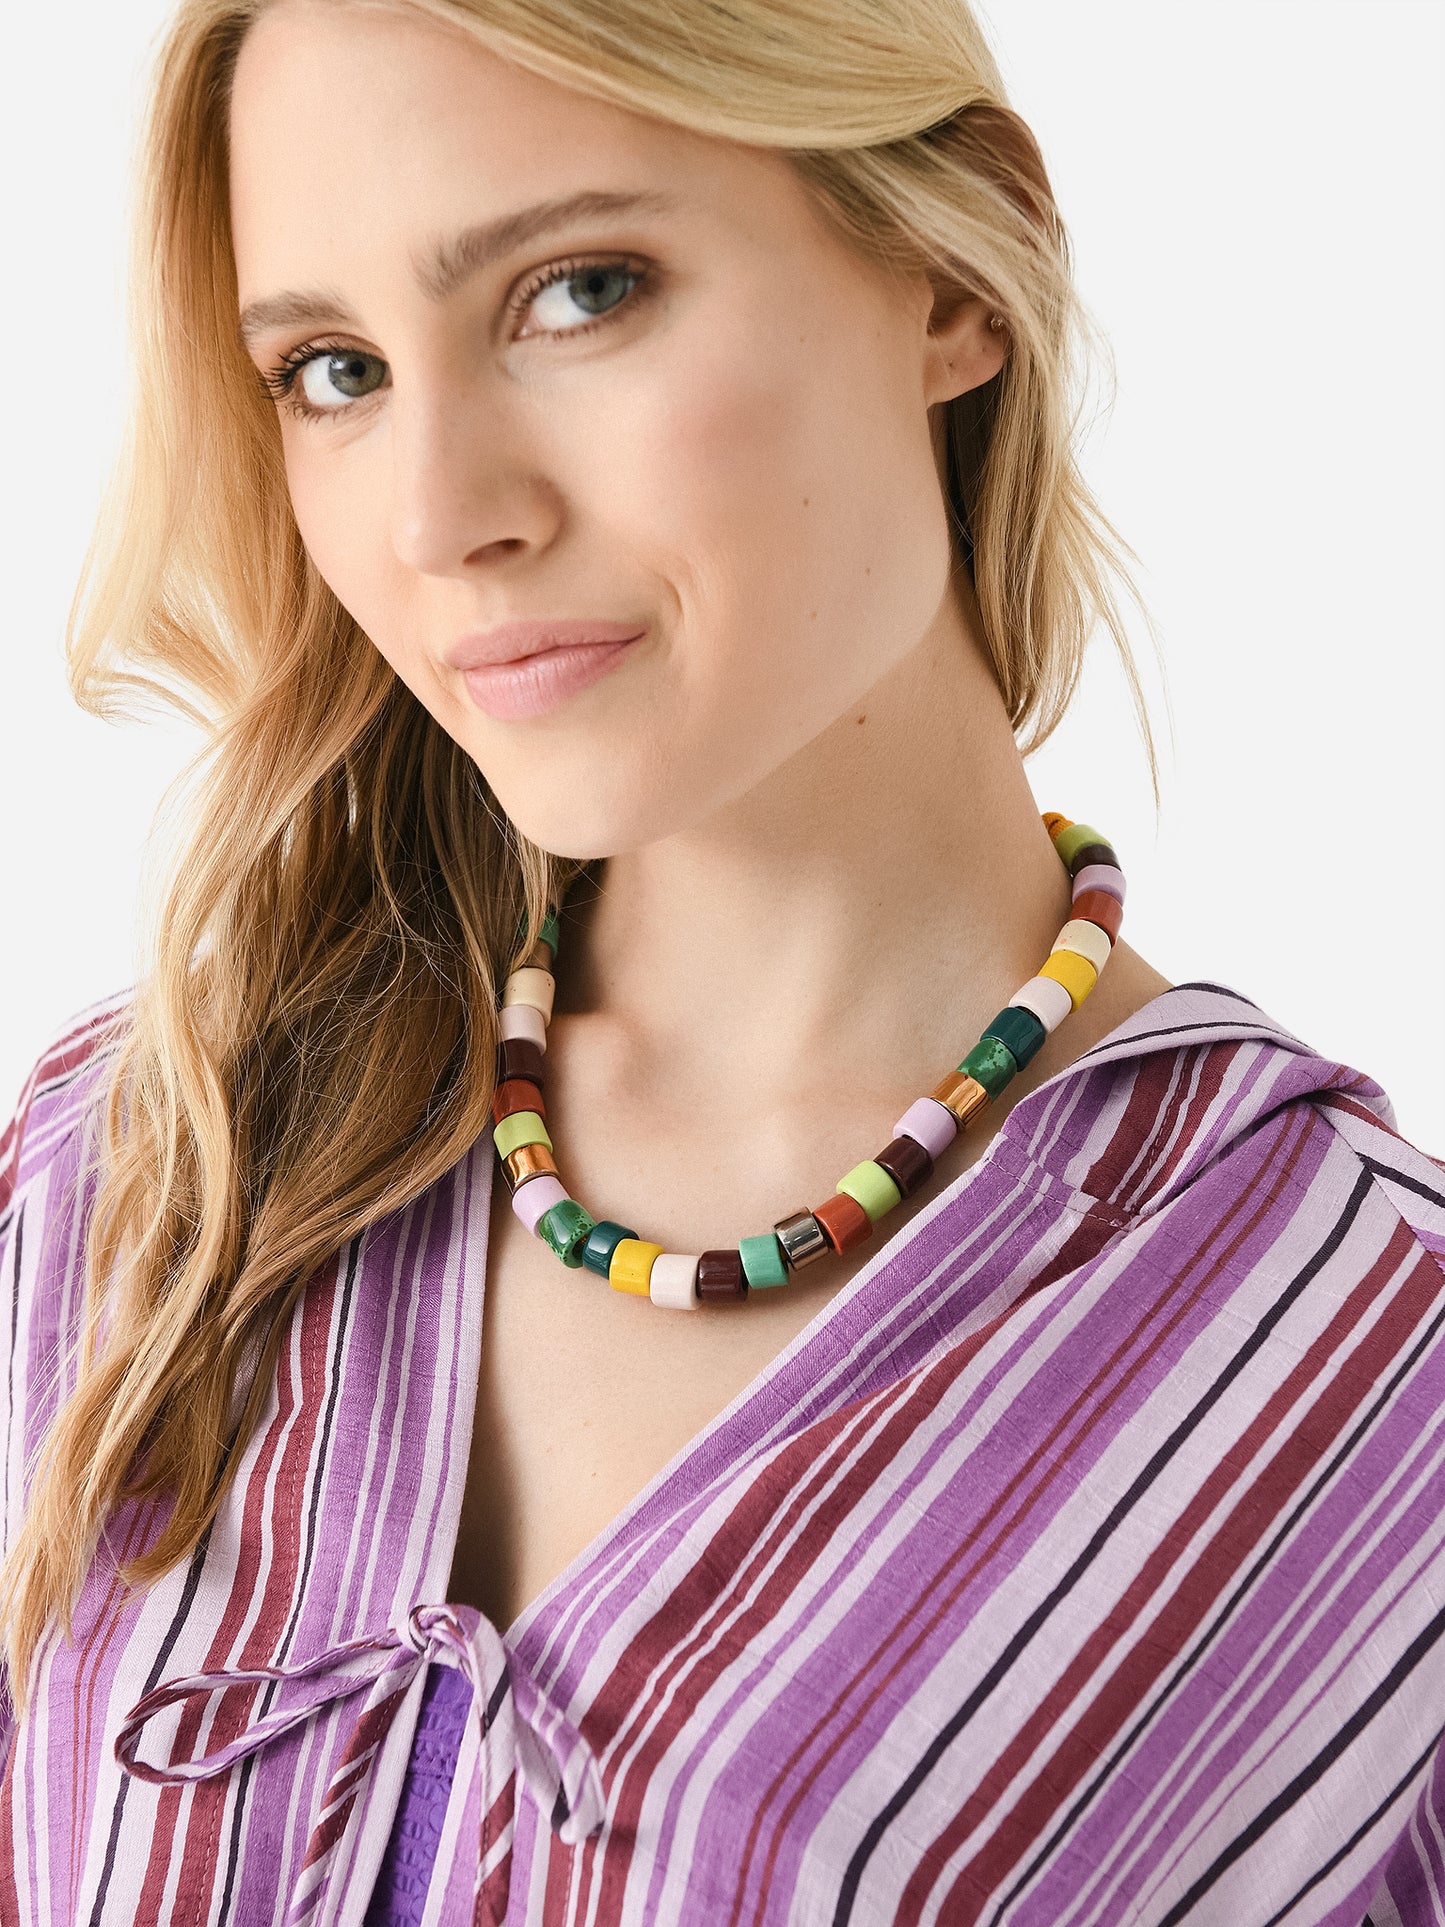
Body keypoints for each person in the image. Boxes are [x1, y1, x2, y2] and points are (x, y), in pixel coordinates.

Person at [0, 0, 1442, 1920]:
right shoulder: (131, 1174)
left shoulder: (1379, 1371)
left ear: (951, 272)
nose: (441, 518)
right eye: (334, 371)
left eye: (580, 291)